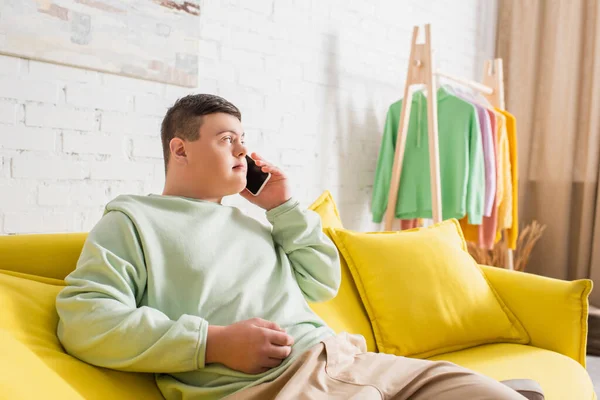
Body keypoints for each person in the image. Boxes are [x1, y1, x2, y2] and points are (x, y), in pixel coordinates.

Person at [55, 94, 543, 399]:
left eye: (244, 140)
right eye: (227, 139)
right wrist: (213, 343)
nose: (243, 151)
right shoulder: (133, 221)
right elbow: (85, 319)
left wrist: (283, 206)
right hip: (275, 386)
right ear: (180, 149)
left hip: (348, 360)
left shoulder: (257, 225)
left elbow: (322, 279)